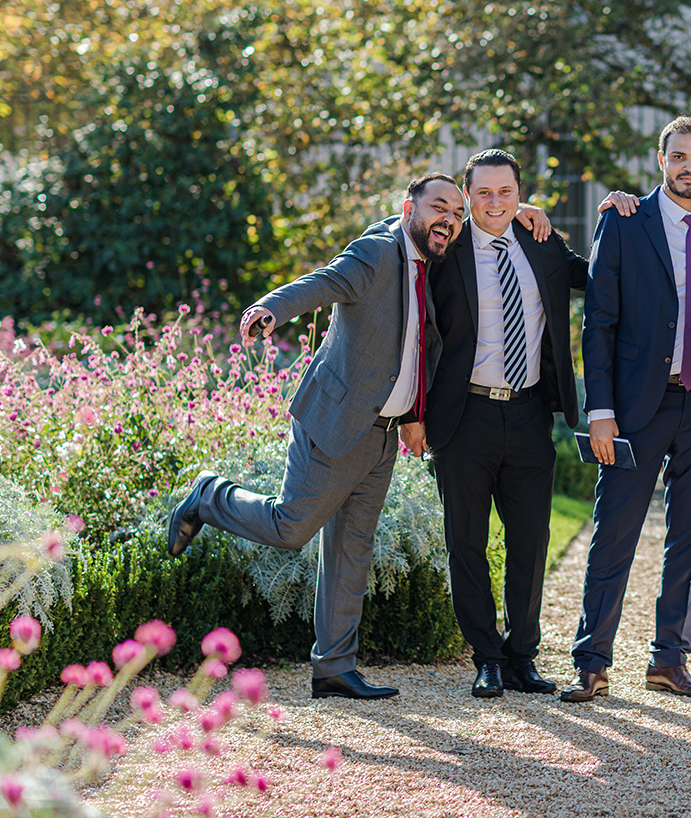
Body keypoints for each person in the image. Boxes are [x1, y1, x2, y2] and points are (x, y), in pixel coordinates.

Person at [166, 173, 466, 700]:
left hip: (382, 435)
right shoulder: (377, 253)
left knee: (353, 549)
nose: (450, 219)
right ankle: (208, 495)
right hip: (336, 420)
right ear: (407, 207)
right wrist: (272, 308)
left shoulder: (426, 266)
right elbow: (324, 282)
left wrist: (415, 413)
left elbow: (416, 348)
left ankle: (334, 667)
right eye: (440, 206)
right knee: (289, 528)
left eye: (458, 214)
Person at [563, 116, 691, 702]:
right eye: (679, 156)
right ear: (660, 159)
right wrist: (601, 410)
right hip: (639, 402)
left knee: (689, 534)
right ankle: (591, 660)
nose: (690, 166)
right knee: (614, 530)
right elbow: (600, 322)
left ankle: (670, 659)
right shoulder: (623, 221)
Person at [420, 149, 588, 700]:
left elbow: (594, 277)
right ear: (468, 198)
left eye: (507, 192)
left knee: (531, 541)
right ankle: (486, 657)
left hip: (530, 411)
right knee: (465, 541)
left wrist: (615, 212)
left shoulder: (542, 243)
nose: (496, 203)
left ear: (520, 193)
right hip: (463, 415)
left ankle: (522, 657)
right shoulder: (447, 249)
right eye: (484, 193)